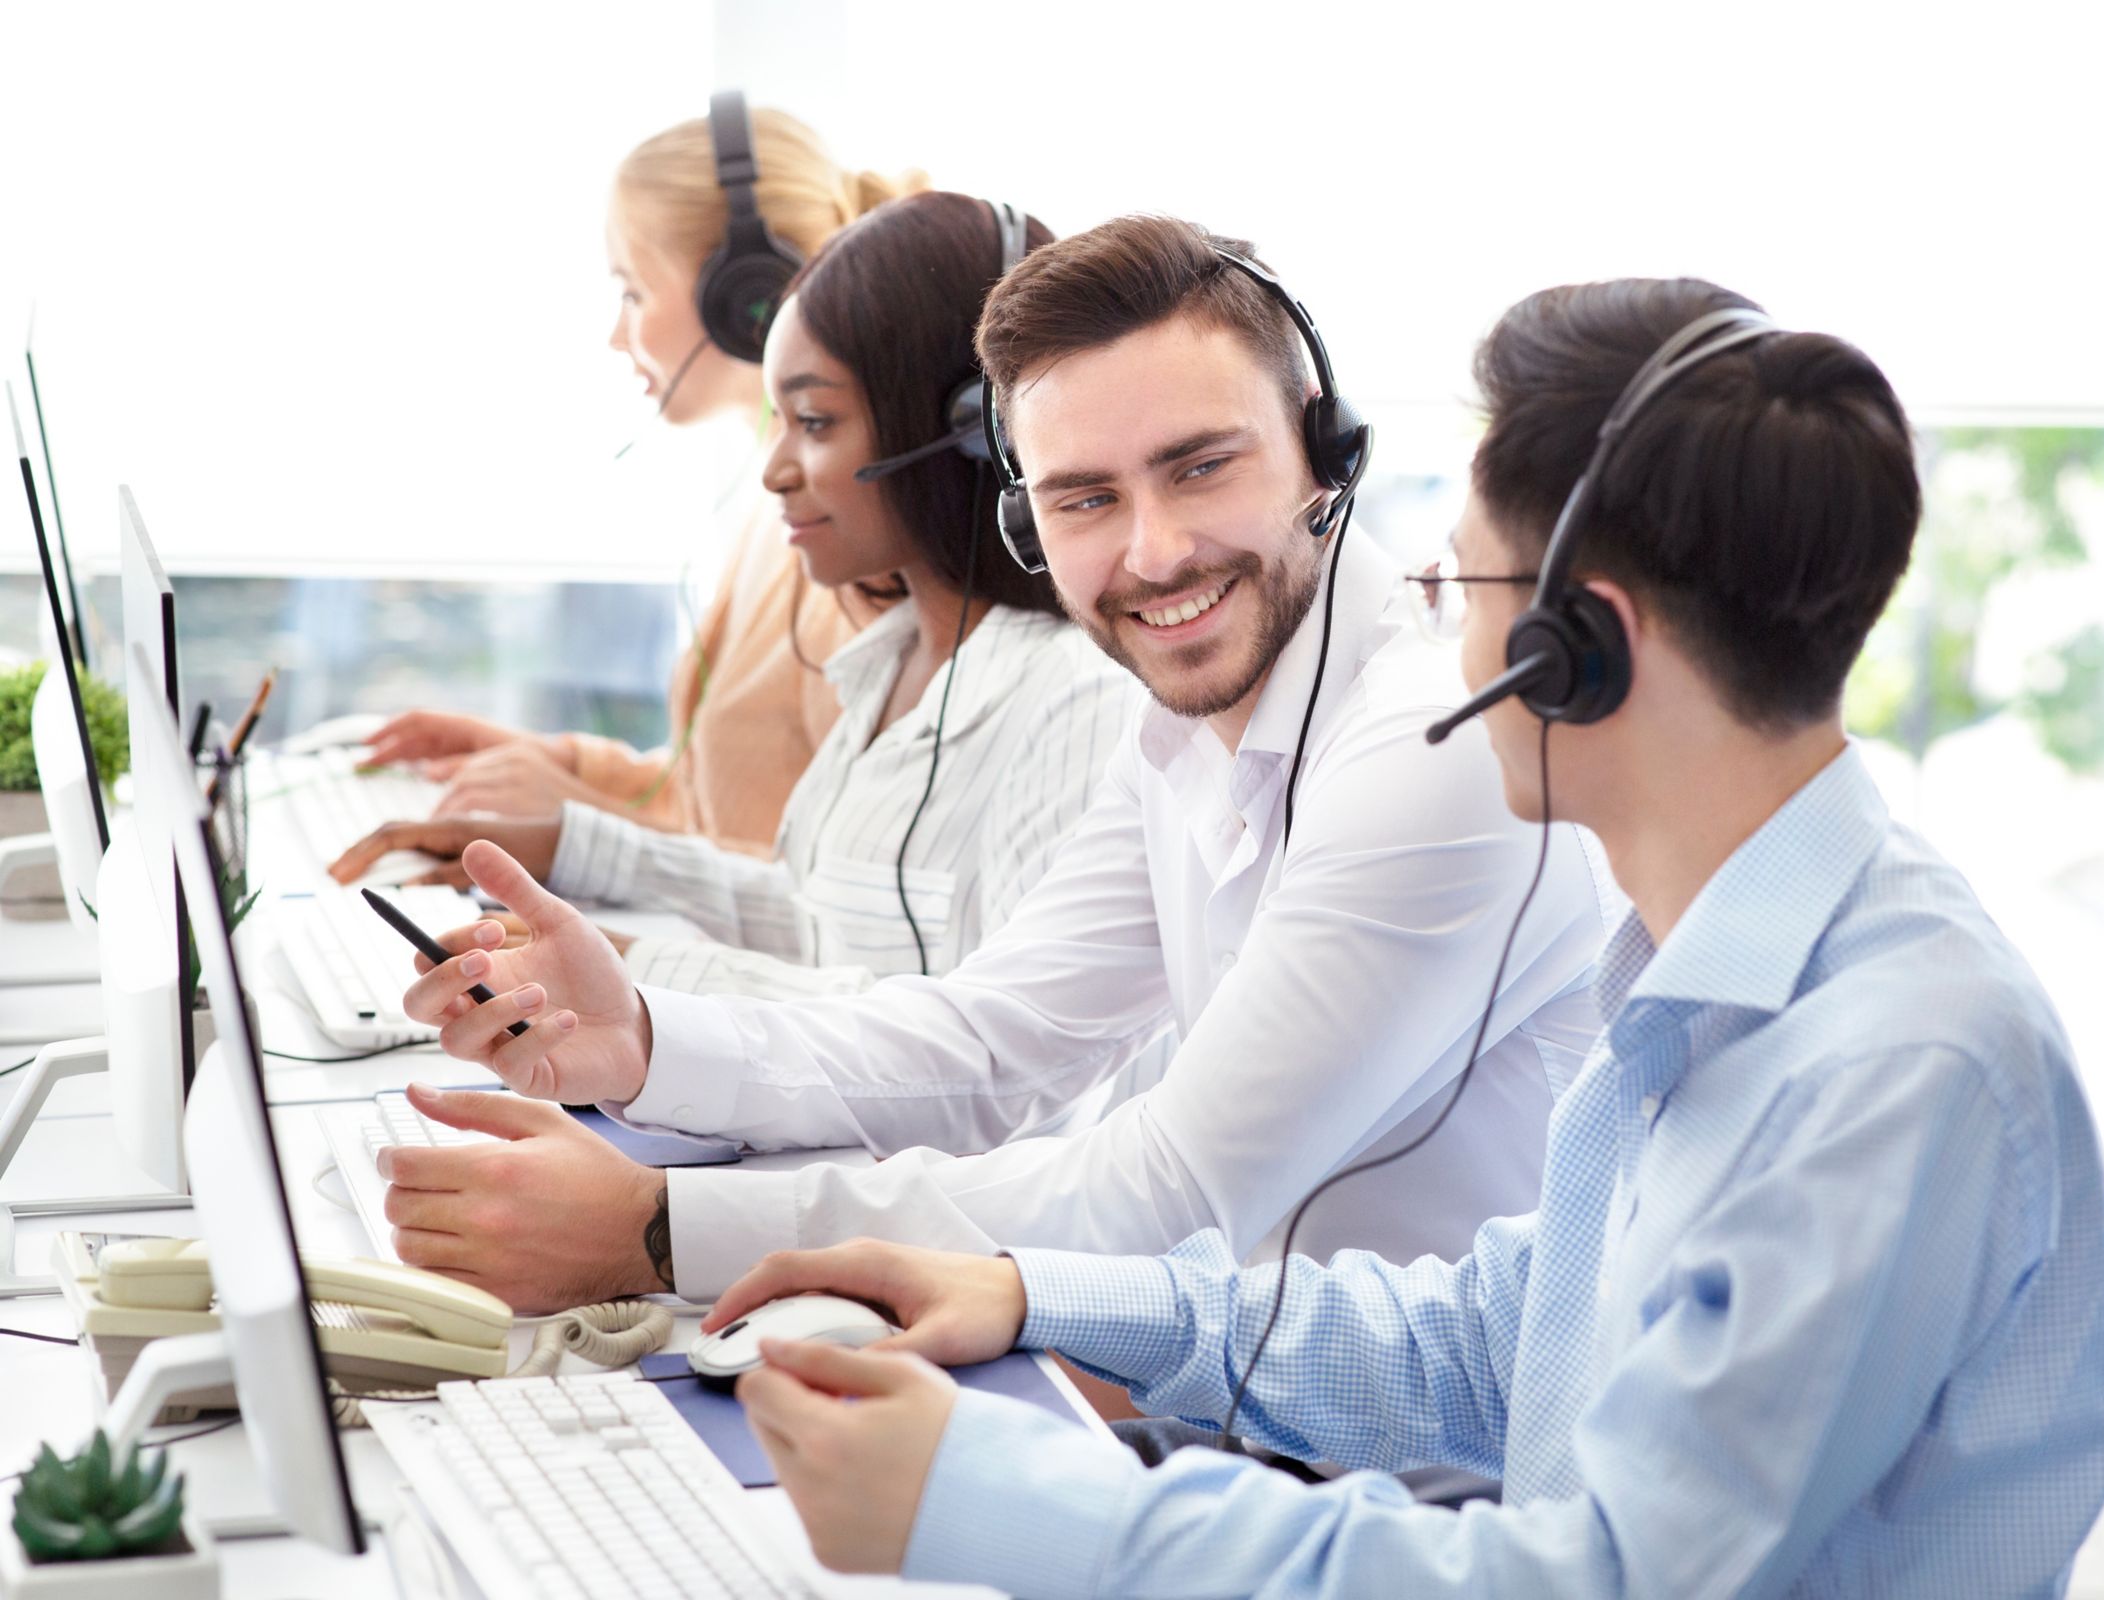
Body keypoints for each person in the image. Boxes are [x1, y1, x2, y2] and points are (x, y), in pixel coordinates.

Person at [695, 278, 2104, 1595]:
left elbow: (1602, 1581)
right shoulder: (1698, 978)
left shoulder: (1891, 1066)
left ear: (1582, 647)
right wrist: (1036, 1295)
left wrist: (994, 1495)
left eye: (1459, 588)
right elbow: (1493, 1345)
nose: (1435, 642)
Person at [380, 215, 1607, 1317]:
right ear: (1028, 523)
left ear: (1326, 452)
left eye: (1201, 465)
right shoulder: (1182, 724)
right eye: (1083, 500)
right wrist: (641, 1039)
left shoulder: (1432, 749)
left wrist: (659, 1229)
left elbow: (1169, 1190)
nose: (1156, 552)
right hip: (1235, 1405)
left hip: (1407, 1489)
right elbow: (996, 1039)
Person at [354, 98, 922, 852]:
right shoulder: (772, 505)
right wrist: (558, 763)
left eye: (633, 291)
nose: (616, 335)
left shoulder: (845, 543)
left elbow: (819, 892)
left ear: (748, 300)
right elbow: (716, 796)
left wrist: (579, 825)